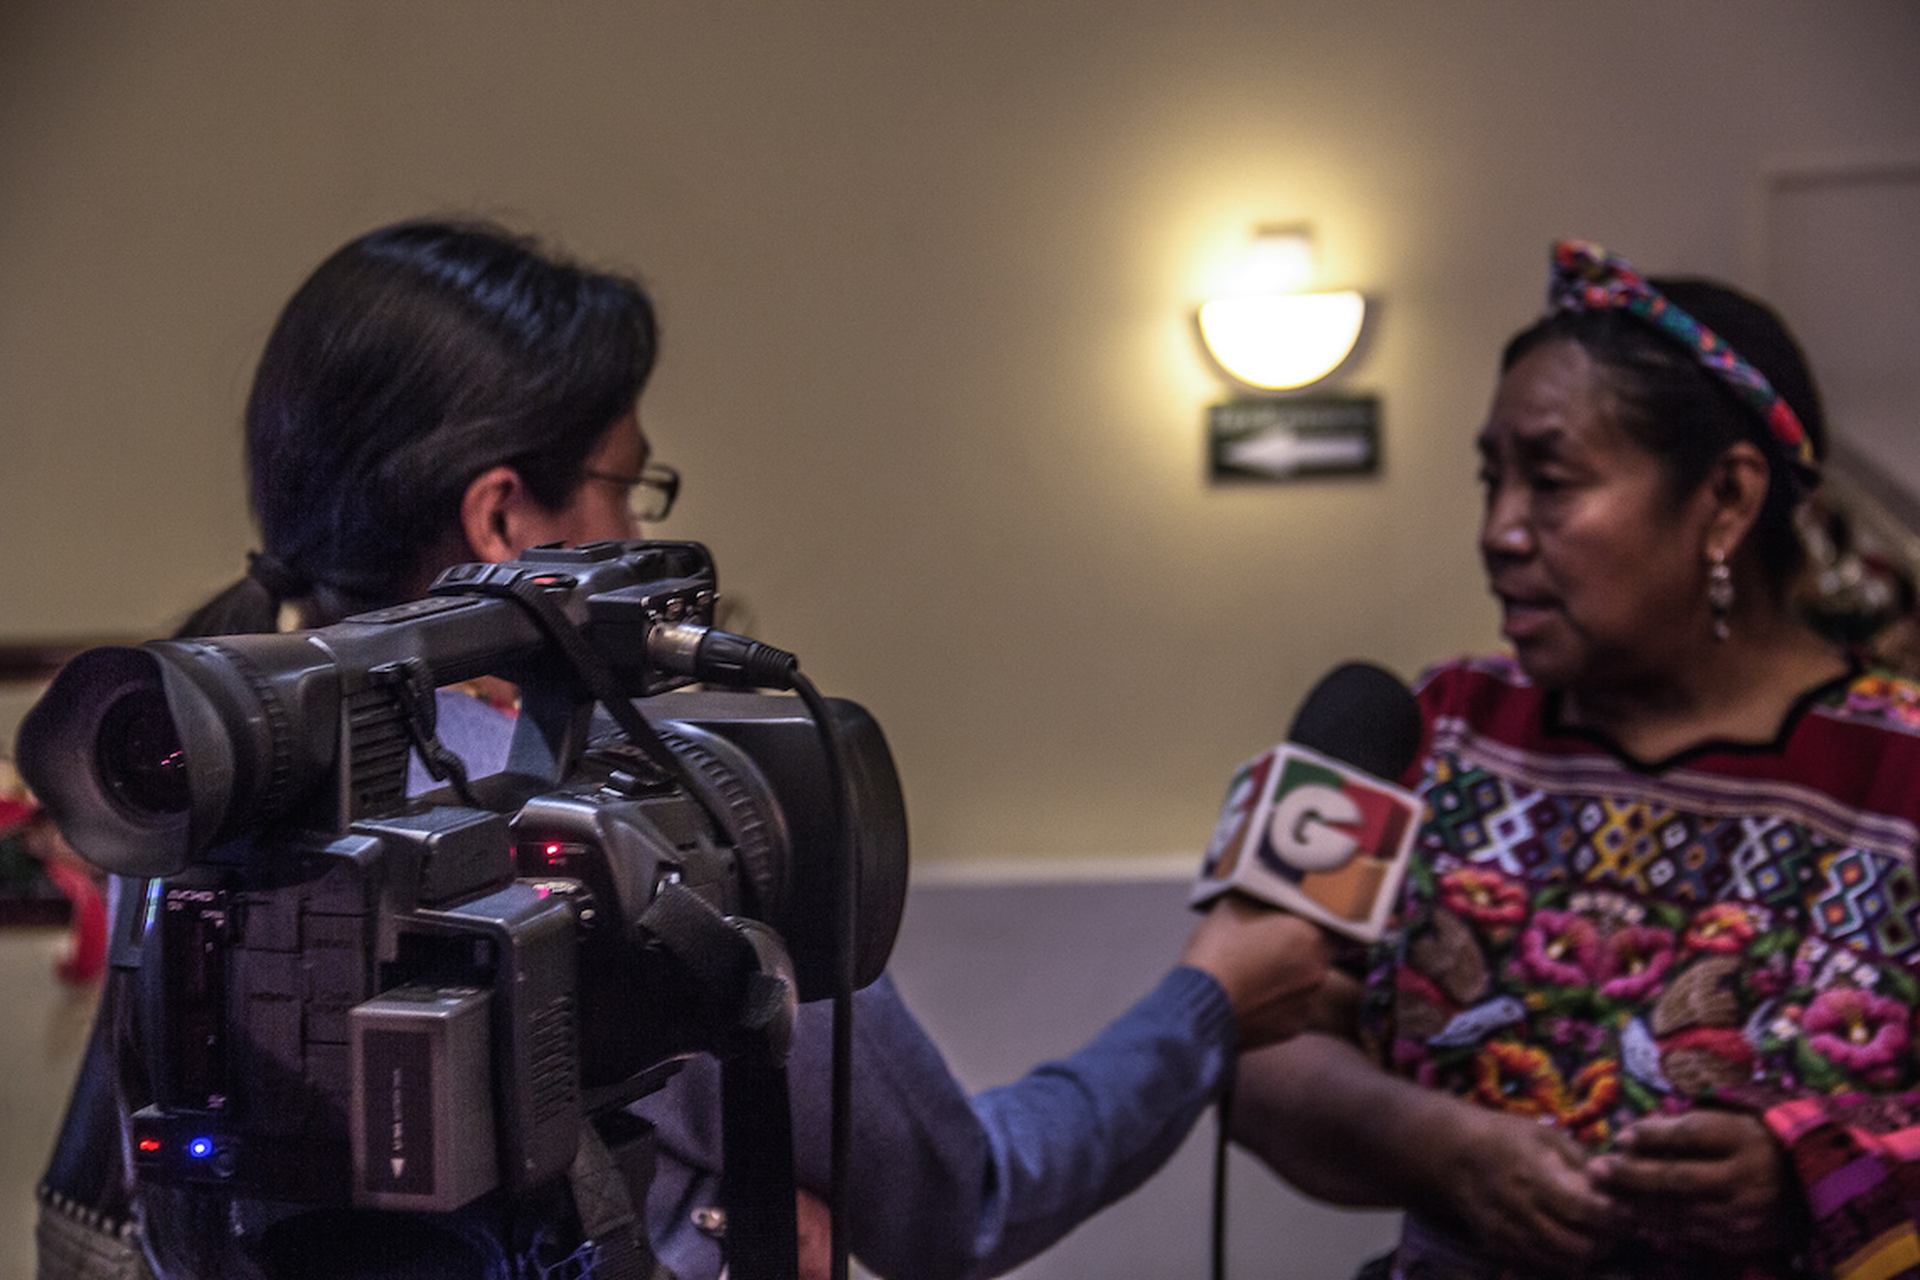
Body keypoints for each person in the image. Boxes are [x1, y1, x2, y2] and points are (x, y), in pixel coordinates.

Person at [35, 218, 1333, 1280]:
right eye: (627, 485)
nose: (647, 526)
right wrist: (1206, 1002)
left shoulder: (182, 807)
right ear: (506, 520)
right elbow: (961, 1201)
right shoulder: (634, 829)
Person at [1228, 239, 1920, 1279]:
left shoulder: (1900, 771)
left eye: (1550, 480)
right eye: (1490, 478)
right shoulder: (1420, 722)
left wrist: (1808, 1176)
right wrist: (1434, 1143)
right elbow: (1237, 1034)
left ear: (1726, 500)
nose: (1498, 529)